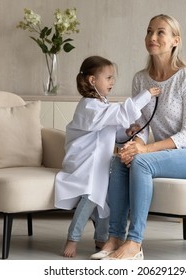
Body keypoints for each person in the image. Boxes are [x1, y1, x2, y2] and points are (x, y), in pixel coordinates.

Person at [90, 14, 186, 260]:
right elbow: (141, 123)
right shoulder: (141, 79)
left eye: (161, 32)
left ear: (175, 41)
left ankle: (135, 243)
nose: (152, 37)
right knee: (120, 159)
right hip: (168, 153)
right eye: (150, 31)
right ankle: (115, 237)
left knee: (141, 161)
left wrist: (146, 150)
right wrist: (134, 142)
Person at [54, 55, 160, 258]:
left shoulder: (101, 105)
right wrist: (145, 95)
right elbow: (117, 114)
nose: (112, 82)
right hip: (85, 164)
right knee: (90, 200)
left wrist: (127, 132)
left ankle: (101, 238)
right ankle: (72, 238)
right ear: (93, 81)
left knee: (105, 201)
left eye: (113, 78)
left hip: (99, 164)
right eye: (109, 78)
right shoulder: (88, 106)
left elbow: (111, 130)